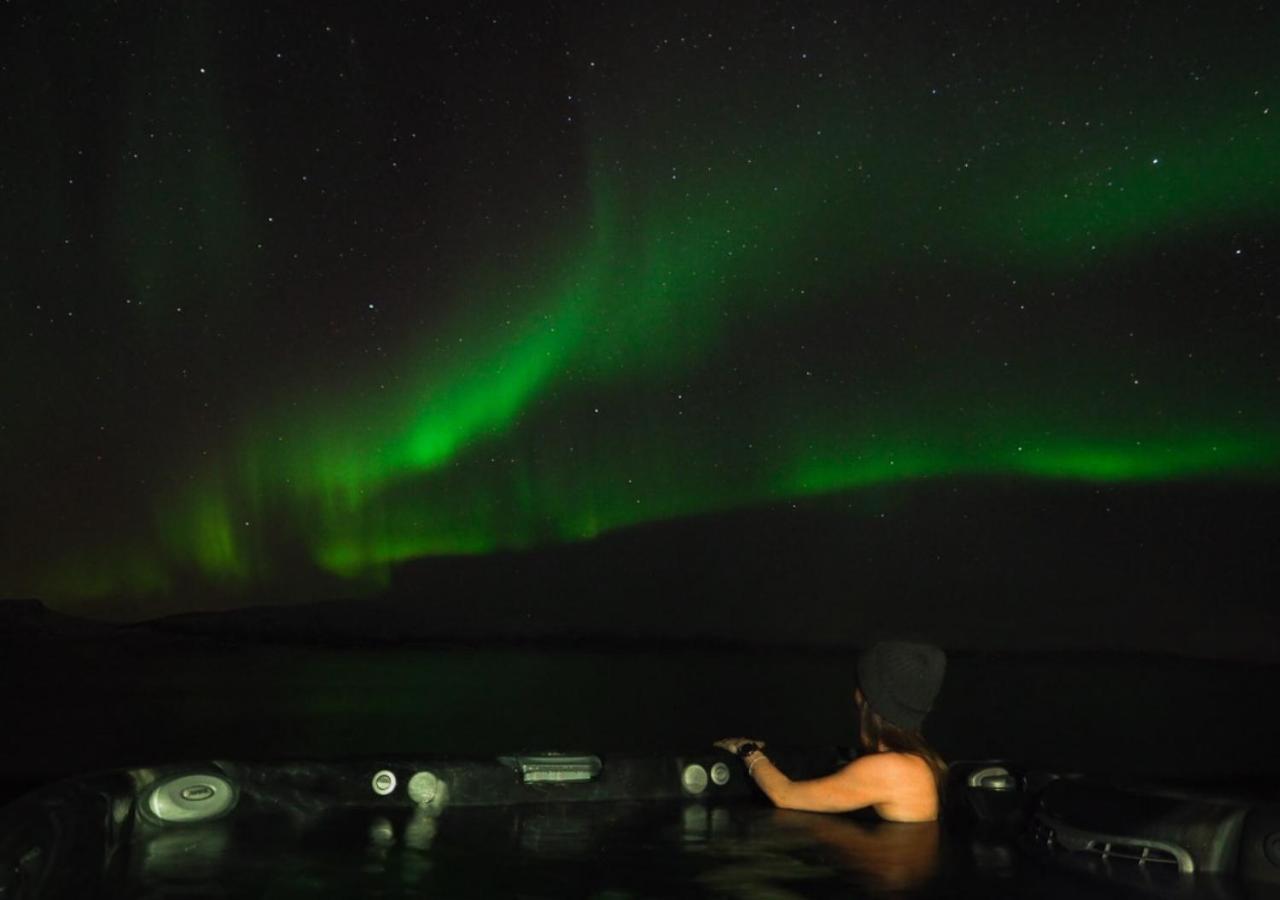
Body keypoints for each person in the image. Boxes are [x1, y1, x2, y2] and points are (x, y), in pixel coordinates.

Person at [714, 640, 948, 822]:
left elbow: (784, 795)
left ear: (866, 699)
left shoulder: (891, 768)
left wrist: (747, 749)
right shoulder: (926, 761)